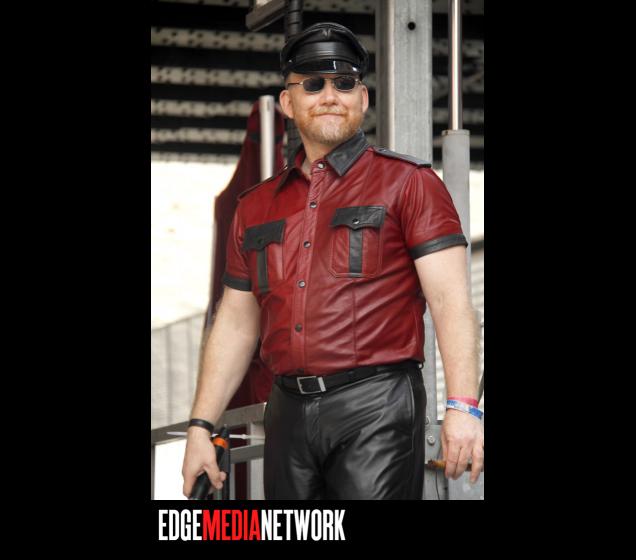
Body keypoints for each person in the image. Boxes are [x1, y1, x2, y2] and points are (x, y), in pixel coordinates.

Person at [182, 22, 484, 500]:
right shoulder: (255, 206)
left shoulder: (410, 183)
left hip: (377, 407)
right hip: (286, 410)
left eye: (344, 83)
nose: (330, 95)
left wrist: (464, 408)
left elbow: (451, 304)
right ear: (288, 102)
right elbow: (236, 323)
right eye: (313, 84)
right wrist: (201, 425)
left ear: (362, 99)